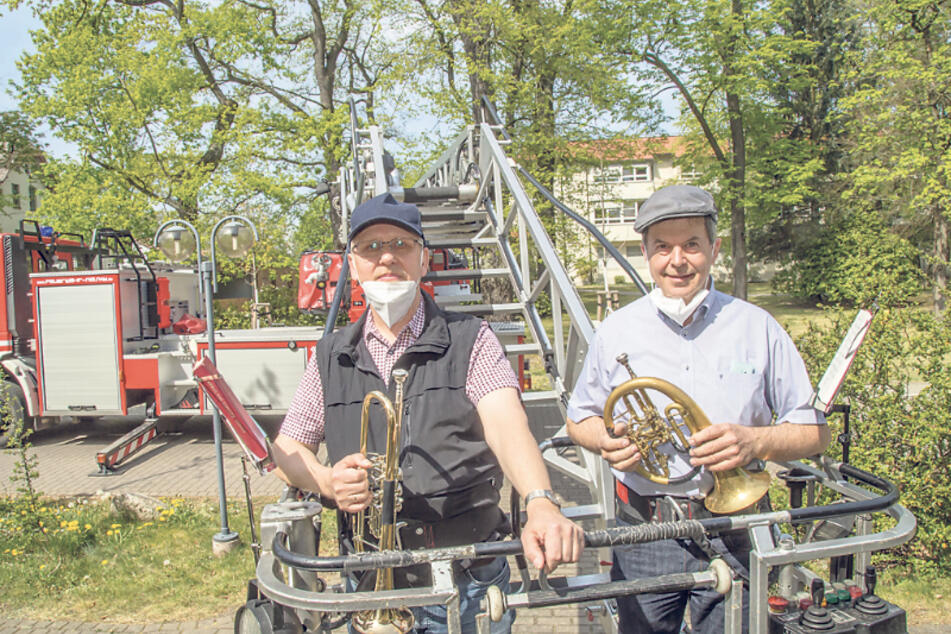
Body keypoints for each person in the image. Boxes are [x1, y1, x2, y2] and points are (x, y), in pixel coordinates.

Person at [273, 193, 584, 633]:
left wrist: (540, 503)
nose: (386, 258)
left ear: (424, 260)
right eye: (370, 247)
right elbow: (286, 448)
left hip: (464, 576)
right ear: (353, 265)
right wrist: (324, 480)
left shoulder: (471, 339)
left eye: (402, 245)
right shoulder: (330, 354)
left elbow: (507, 426)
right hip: (367, 580)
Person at [566, 185, 830, 634]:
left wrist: (757, 440)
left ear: (715, 248)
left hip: (739, 525)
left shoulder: (756, 326)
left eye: (692, 245)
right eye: (662, 248)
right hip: (645, 529)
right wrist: (605, 440)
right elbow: (580, 419)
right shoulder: (616, 331)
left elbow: (813, 432)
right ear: (646, 254)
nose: (677, 261)